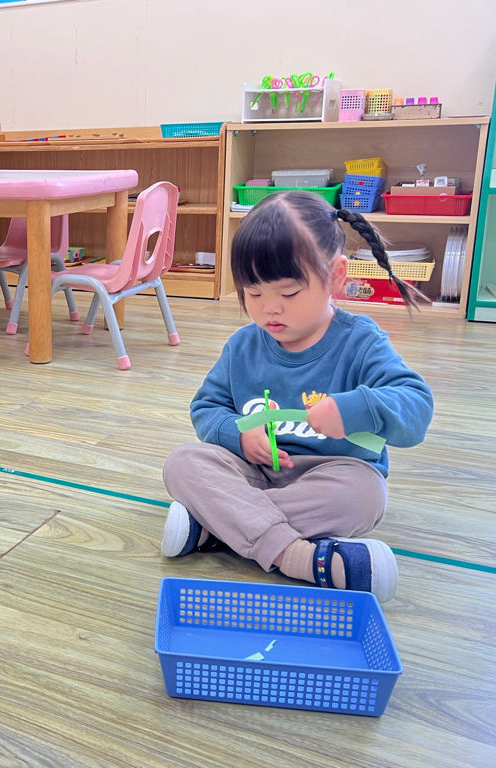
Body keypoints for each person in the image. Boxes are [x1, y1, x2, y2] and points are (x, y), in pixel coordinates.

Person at [160, 190, 433, 603]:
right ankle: (300, 557)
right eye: (253, 293)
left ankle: (217, 526)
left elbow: (416, 407)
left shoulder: (361, 342)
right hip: (253, 472)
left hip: (333, 474)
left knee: (364, 496)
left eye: (288, 293)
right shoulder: (243, 346)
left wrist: (356, 408)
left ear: (336, 276)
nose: (270, 309)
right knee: (183, 462)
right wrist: (238, 435)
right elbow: (206, 407)